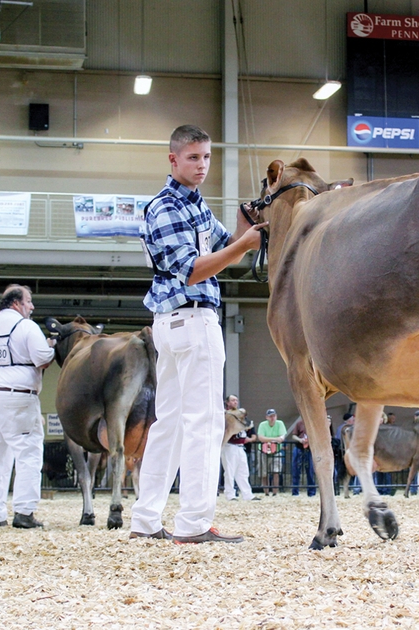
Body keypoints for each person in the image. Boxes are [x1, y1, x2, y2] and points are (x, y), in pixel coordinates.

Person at [128, 124, 265, 545]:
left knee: (169, 423)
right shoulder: (165, 207)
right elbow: (193, 270)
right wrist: (244, 245)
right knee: (204, 422)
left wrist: (249, 225)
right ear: (173, 160)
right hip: (191, 319)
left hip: (174, 327)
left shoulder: (197, 207)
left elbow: (232, 245)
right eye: (192, 157)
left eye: (206, 157)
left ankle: (146, 519)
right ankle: (194, 524)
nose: (201, 165)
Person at [0, 284, 55, 529]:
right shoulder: (26, 327)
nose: (32, 306)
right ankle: (24, 513)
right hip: (17, 399)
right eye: (29, 301)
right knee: (28, 454)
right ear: (16, 303)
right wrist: (51, 346)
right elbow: (42, 359)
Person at [220, 395, 257, 502]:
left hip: (241, 446)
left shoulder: (241, 416)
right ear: (227, 402)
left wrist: (249, 439)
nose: (235, 402)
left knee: (243, 471)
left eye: (236, 400)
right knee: (229, 471)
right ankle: (230, 495)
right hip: (229, 445)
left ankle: (247, 494)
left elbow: (250, 428)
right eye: (232, 400)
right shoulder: (225, 415)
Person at [285, 416, 317, 497]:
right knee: (296, 470)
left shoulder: (314, 423)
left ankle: (311, 492)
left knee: (310, 471)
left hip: (310, 449)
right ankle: (295, 491)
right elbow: (294, 435)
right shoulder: (299, 423)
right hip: (299, 447)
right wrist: (300, 440)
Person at [257, 409, 286, 496]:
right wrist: (275, 439)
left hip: (276, 451)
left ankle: (274, 493)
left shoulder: (280, 423)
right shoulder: (262, 424)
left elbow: (282, 437)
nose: (272, 418)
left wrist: (269, 439)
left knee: (276, 472)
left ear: (276, 416)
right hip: (263, 451)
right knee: (263, 472)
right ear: (266, 417)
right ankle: (266, 492)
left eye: (274, 416)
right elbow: (261, 438)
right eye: (270, 416)